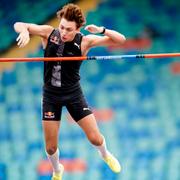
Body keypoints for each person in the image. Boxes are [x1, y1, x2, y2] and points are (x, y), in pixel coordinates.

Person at [14, 3, 126, 180]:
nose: (64, 32)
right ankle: (57, 170)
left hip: (73, 95)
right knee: (50, 148)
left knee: (95, 139)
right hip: (51, 96)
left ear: (78, 29)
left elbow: (121, 40)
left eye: (68, 30)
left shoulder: (85, 41)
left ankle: (105, 155)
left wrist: (101, 30)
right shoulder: (49, 33)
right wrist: (24, 31)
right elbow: (19, 24)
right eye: (62, 27)